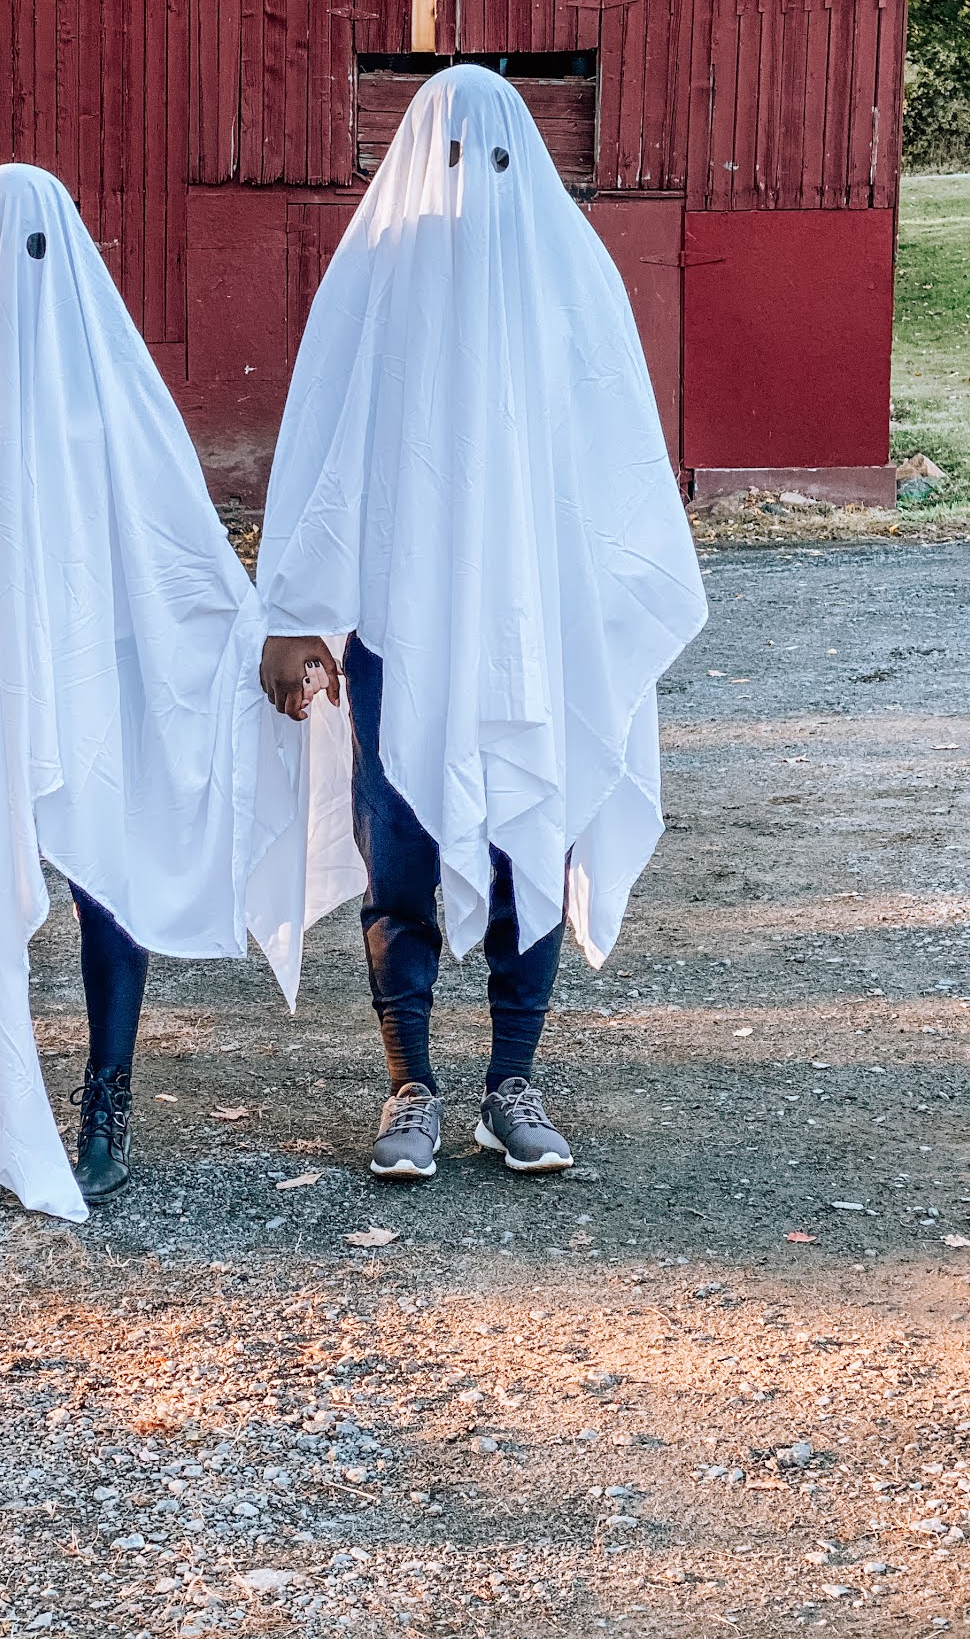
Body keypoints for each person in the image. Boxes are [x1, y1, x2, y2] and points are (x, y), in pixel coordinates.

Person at [253, 64, 707, 1183]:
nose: (470, 185)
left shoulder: (568, 277)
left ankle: (512, 1079)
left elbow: (615, 463)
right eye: (451, 161)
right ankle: (410, 1083)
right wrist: (296, 614)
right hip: (400, 628)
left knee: (529, 833)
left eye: (490, 160)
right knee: (398, 847)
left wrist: (605, 617)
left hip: (535, 627)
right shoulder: (374, 273)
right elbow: (324, 446)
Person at [0, 164, 289, 1221]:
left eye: (37, 248)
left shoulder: (107, 392)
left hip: (96, 674)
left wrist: (236, 641)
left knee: (108, 876)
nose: (16, 274)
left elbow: (172, 537)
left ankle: (106, 1107)